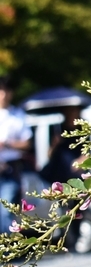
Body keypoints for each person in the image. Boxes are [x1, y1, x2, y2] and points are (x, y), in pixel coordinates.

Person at [0, 78, 32, 234]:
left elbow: (27, 143)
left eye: (6, 91)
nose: (4, 95)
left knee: (6, 209)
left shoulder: (17, 115)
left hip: (10, 168)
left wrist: (6, 144)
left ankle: (6, 249)